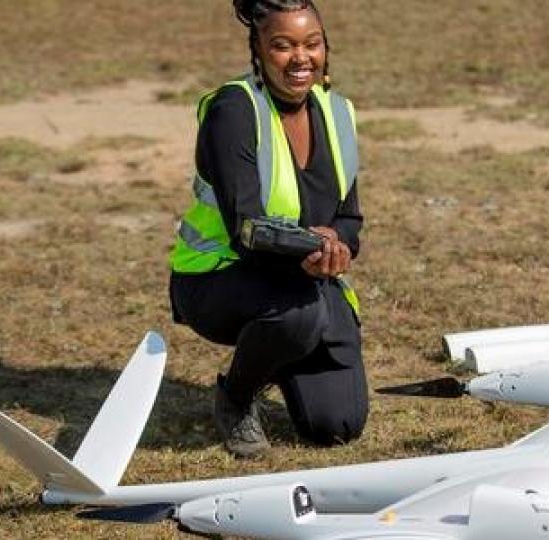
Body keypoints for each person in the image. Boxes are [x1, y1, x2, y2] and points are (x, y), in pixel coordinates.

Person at [168, 0, 367, 457]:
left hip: (304, 277)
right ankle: (236, 397)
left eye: (311, 44)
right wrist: (318, 249)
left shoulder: (338, 112)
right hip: (217, 278)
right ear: (258, 50)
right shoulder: (234, 111)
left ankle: (279, 352)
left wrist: (340, 244)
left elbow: (350, 216)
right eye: (283, 45)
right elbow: (249, 229)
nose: (300, 58)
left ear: (326, 49)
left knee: (336, 425)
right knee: (297, 315)